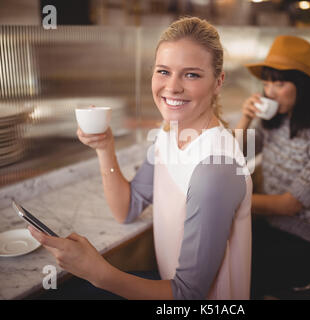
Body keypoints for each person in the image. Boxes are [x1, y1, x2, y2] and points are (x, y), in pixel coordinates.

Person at [29, 16, 253, 300]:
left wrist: (98, 273)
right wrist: (104, 147)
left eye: (191, 74)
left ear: (218, 82)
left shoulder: (215, 170)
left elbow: (188, 295)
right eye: (163, 71)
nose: (172, 87)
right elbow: (128, 207)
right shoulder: (168, 132)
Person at [236, 35, 310, 298]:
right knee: (223, 254)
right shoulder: (275, 121)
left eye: (279, 83)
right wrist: (245, 119)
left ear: (304, 86)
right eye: (266, 83)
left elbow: (291, 204)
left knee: (241, 270)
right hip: (272, 224)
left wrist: (233, 199)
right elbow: (235, 155)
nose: (269, 92)